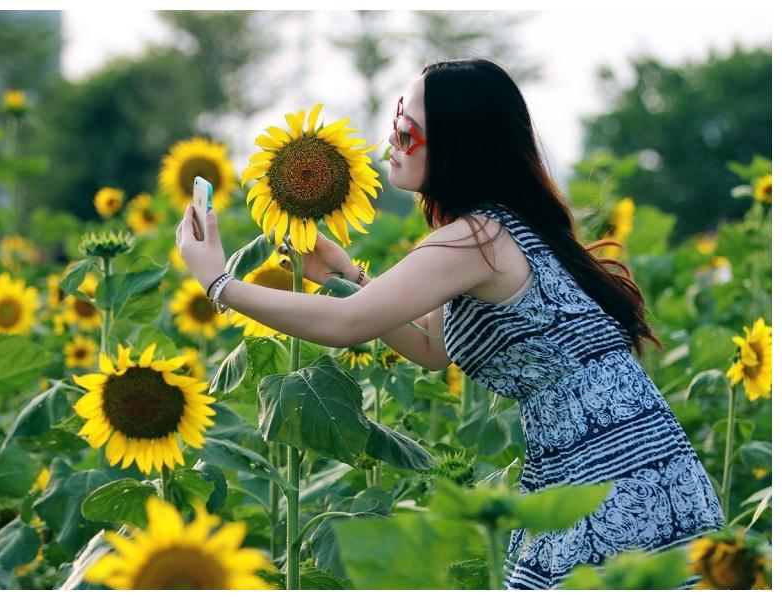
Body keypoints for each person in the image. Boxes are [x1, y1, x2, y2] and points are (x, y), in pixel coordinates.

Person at [175, 57, 724, 590]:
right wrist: (343, 273)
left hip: (608, 473)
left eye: (407, 132)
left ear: (459, 145)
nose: (391, 139)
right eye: (395, 121)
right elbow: (433, 347)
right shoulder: (501, 229)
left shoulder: (475, 239)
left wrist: (218, 283)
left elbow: (347, 325)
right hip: (629, 459)